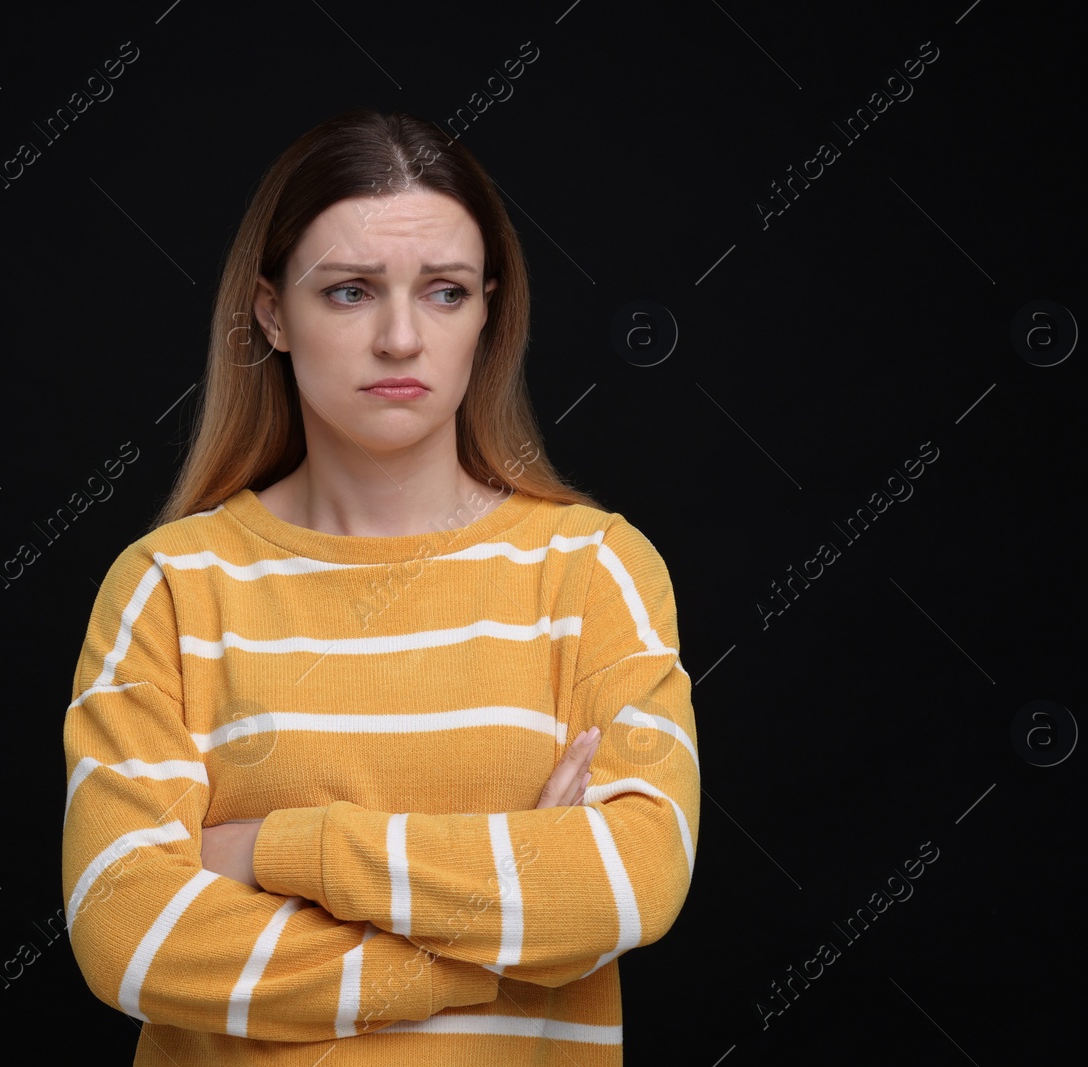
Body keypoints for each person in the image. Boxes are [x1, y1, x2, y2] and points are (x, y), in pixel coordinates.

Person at [61, 107, 699, 1066]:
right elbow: (130, 936)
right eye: (351, 291)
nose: (401, 338)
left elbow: (631, 882)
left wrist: (274, 848)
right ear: (273, 312)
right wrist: (506, 936)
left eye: (444, 292)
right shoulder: (169, 587)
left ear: (489, 309)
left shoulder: (592, 571)